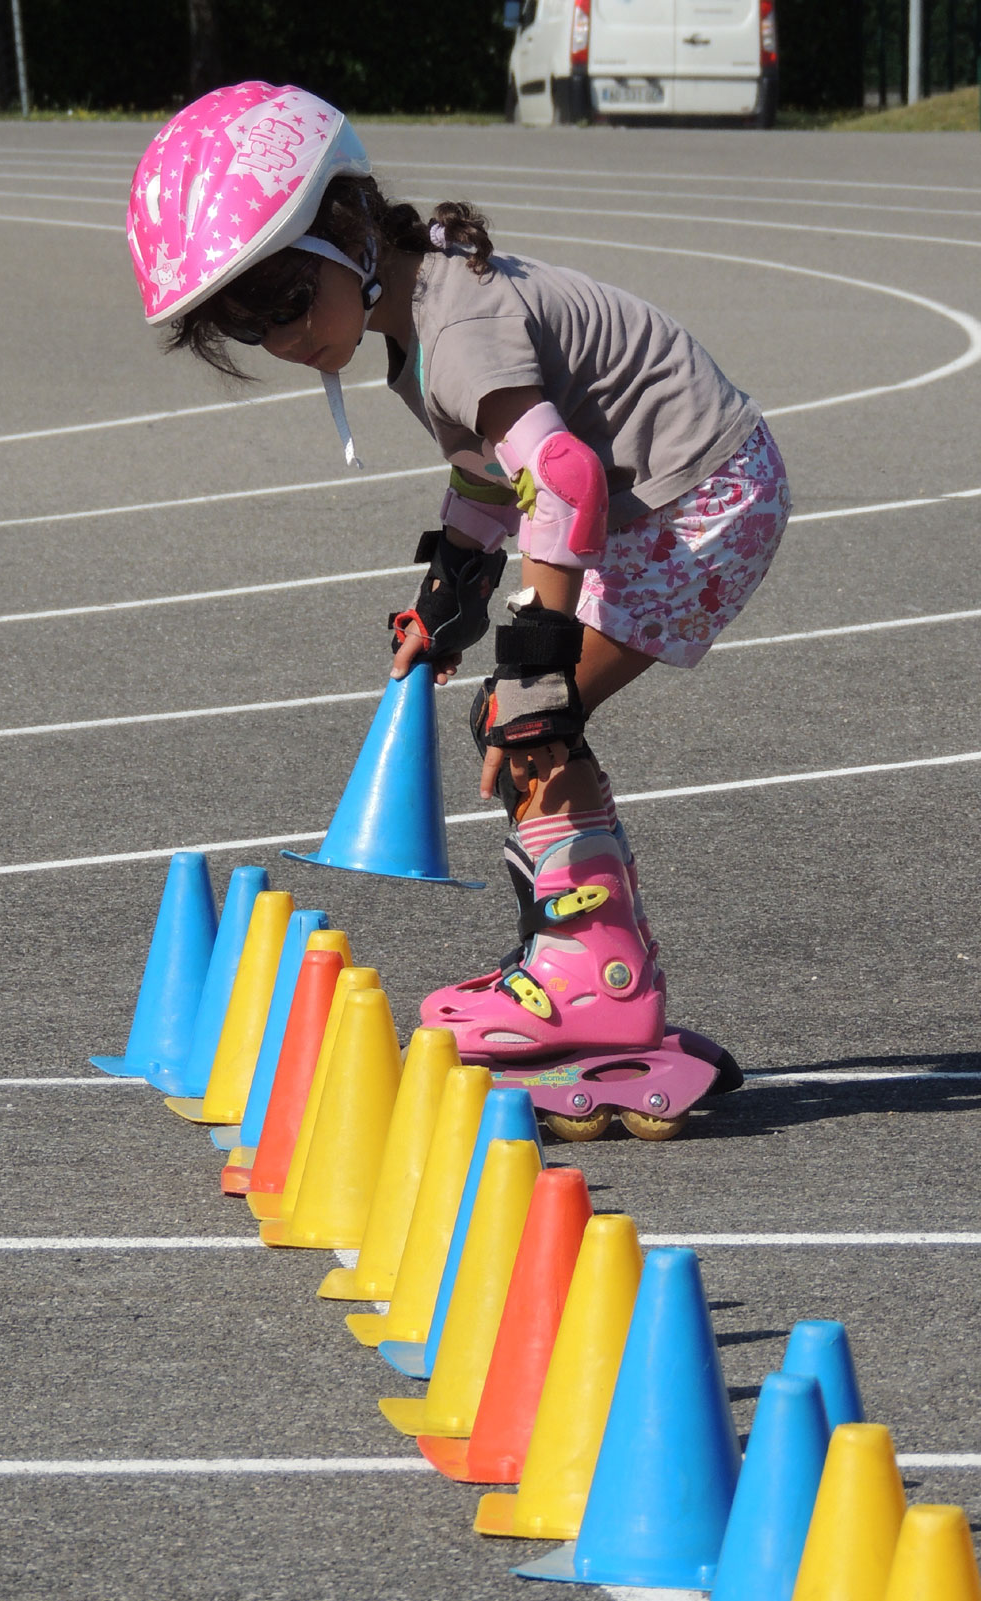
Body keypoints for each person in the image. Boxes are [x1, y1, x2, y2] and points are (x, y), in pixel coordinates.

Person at [128, 80, 791, 1074]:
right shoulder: (419, 315)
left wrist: (535, 663)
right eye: (244, 323)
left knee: (521, 721)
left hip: (697, 500)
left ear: (347, 226)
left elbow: (558, 475)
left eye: (282, 299)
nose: (278, 337)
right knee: (522, 718)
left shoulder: (455, 331)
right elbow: (493, 471)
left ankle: (593, 976)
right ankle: (584, 959)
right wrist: (454, 581)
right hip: (661, 499)